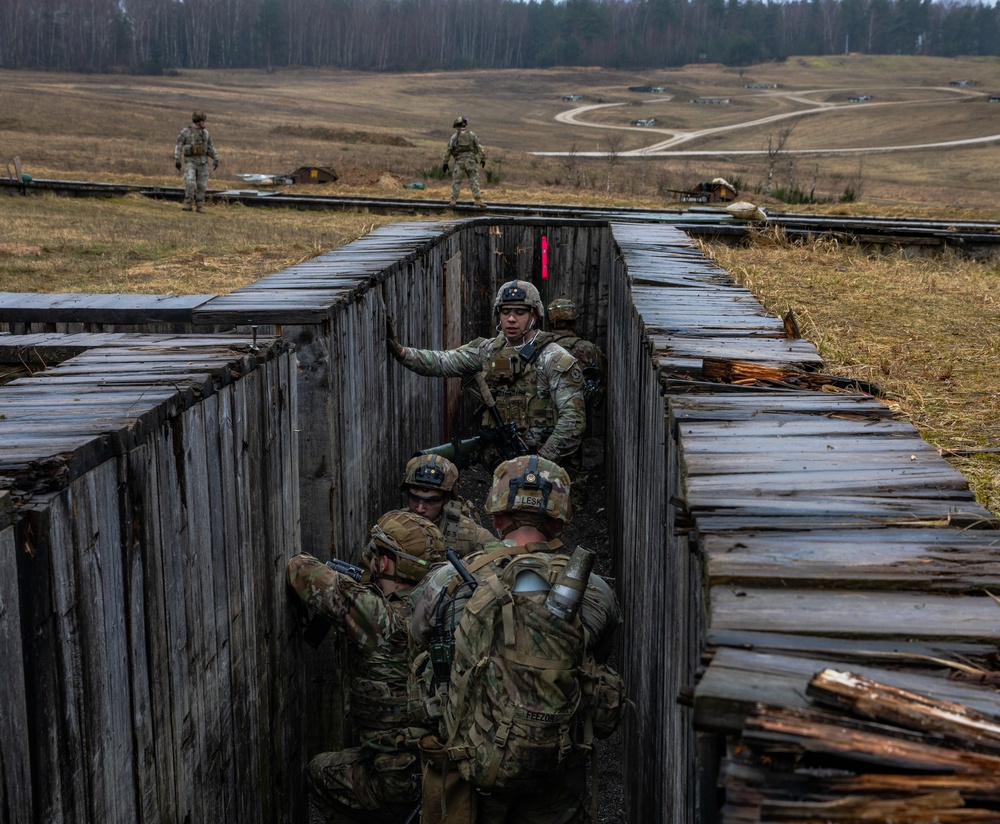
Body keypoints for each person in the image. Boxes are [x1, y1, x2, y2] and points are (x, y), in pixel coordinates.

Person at [408, 455, 622, 824]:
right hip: (558, 765)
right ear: (560, 521)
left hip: (470, 765)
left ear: (496, 518)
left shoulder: (447, 580)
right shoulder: (597, 590)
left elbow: (415, 641)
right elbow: (598, 656)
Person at [286, 510, 445, 823]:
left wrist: (360, 583)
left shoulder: (375, 612)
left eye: (377, 552)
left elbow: (299, 569)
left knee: (320, 772)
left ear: (384, 562)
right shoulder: (445, 608)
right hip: (435, 763)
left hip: (395, 777)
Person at [387, 280, 586, 468]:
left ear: (534, 316)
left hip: (548, 466)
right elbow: (443, 361)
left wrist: (539, 461)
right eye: (505, 311)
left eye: (519, 312)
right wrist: (403, 353)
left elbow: (573, 420)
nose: (511, 319)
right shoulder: (488, 350)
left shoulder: (553, 358)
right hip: (501, 464)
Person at [401, 454, 493, 557]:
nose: (420, 508)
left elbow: (502, 557)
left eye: (431, 501)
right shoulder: (393, 526)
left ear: (445, 499)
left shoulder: (466, 532)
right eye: (415, 498)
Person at [546, 297, 607, 417]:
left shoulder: (540, 348)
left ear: (549, 322)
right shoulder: (589, 349)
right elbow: (600, 387)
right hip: (578, 417)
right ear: (574, 322)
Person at [173, 110, 219, 213]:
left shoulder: (205, 133)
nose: (204, 123)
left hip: (203, 162)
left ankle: (200, 205)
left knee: (202, 185)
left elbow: (211, 147)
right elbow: (179, 145)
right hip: (190, 162)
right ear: (198, 121)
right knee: (190, 182)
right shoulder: (186, 132)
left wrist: (216, 159)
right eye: (203, 121)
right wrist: (177, 159)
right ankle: (188, 204)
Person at [442, 116, 486, 208]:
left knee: (456, 181)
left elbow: (449, 149)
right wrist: (482, 158)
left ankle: (453, 200)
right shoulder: (472, 135)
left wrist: (445, 162)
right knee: (474, 180)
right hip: (470, 161)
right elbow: (479, 147)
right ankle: (477, 200)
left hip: (459, 162)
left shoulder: (454, 137)